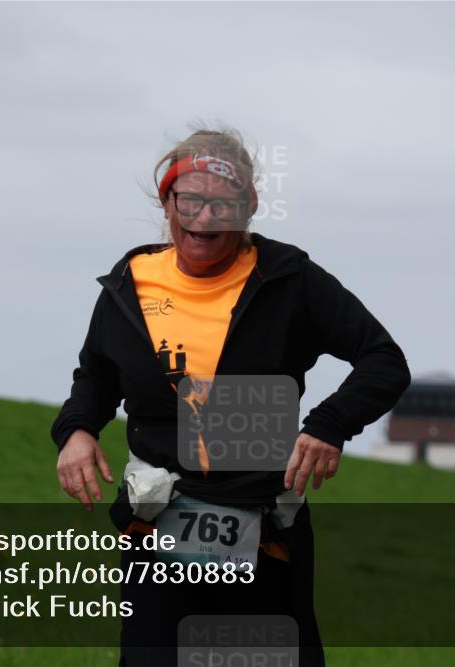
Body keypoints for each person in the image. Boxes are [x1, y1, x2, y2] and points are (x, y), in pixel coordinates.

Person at [51, 126, 410, 666]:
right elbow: (97, 376)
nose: (204, 218)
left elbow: (383, 360)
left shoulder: (289, 280)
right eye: (189, 201)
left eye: (222, 204)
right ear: (167, 201)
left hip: (264, 532)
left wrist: (328, 425)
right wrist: (76, 430)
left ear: (248, 207)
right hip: (156, 526)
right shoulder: (131, 283)